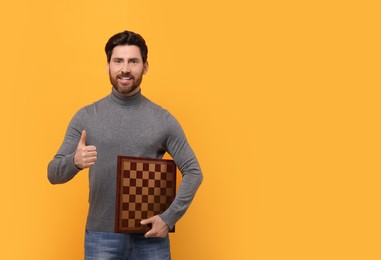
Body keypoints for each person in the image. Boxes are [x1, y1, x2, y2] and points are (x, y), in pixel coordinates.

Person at [48, 30, 203, 259]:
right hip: (101, 237)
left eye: (133, 61)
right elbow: (53, 173)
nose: (125, 69)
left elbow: (194, 171)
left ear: (145, 66)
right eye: (118, 61)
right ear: (108, 65)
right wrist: (74, 161)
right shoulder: (86, 117)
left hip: (150, 237)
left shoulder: (163, 119)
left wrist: (168, 218)